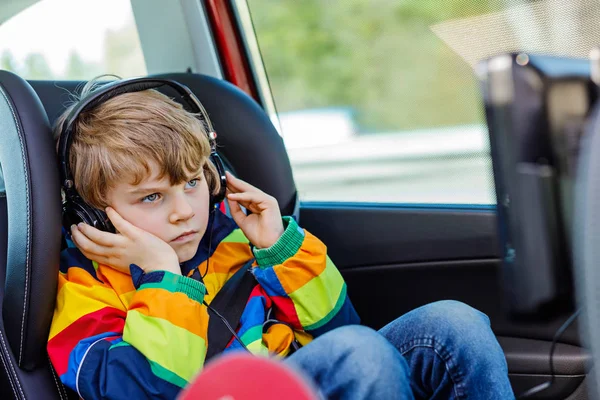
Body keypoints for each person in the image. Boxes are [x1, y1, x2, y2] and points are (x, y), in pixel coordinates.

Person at [47, 77, 515, 400]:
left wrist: (279, 249)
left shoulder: (229, 236)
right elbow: (148, 390)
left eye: (191, 182)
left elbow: (337, 329)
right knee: (360, 353)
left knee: (456, 325)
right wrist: (163, 278)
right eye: (151, 198)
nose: (183, 211)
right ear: (93, 214)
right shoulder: (86, 293)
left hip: (299, 378)